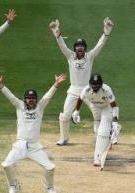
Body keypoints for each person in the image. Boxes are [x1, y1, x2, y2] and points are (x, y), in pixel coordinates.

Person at [0, 72, 67, 193]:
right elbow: (10, 96)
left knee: (50, 168)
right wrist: (0, 85)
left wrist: (56, 84)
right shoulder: (19, 105)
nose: (31, 101)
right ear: (25, 99)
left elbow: (48, 96)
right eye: (29, 98)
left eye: (33, 99)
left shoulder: (40, 107)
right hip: (20, 145)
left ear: (36, 100)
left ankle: (49, 186)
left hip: (34, 147)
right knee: (6, 165)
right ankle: (13, 184)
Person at [48, 17, 114, 145]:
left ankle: (101, 136)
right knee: (65, 116)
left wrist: (106, 32)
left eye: (82, 46)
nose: (80, 48)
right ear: (75, 48)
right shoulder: (70, 56)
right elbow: (62, 45)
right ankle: (64, 138)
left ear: (84, 48)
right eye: (78, 46)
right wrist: (56, 33)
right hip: (73, 90)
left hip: (88, 90)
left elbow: (100, 45)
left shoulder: (90, 56)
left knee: (97, 114)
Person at [72, 73, 121, 166]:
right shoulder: (86, 90)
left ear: (101, 84)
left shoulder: (107, 89)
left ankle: (97, 158)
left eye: (97, 85)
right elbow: (80, 99)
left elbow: (114, 106)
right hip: (95, 107)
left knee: (102, 132)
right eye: (93, 84)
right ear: (90, 84)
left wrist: (115, 122)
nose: (95, 87)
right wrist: (76, 111)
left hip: (107, 108)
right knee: (98, 131)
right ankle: (109, 134)